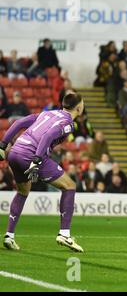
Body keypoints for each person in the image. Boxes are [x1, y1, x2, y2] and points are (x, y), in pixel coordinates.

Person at [0, 92, 84, 252]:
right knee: (70, 186)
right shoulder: (68, 123)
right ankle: (64, 234)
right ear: (79, 108)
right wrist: (37, 159)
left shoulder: (48, 113)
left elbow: (19, 123)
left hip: (15, 151)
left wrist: (2, 145)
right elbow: (48, 135)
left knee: (23, 191)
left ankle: (9, 236)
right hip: (31, 155)